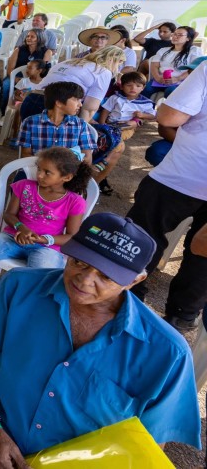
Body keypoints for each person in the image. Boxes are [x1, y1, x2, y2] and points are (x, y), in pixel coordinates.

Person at [0, 212, 202, 468]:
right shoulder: (20, 286)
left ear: (135, 280)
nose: (84, 280)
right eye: (80, 262)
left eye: (106, 276)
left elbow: (147, 445)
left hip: (69, 462)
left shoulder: (168, 353)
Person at [127, 61, 207, 331]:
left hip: (185, 172)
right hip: (188, 173)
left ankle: (127, 295)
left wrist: (165, 108)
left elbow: (169, 118)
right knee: (204, 255)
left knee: (143, 232)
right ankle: (181, 316)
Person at [0, 147, 91, 301]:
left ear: (66, 177)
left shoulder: (75, 201)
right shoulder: (24, 186)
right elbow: (9, 214)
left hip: (47, 248)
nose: (39, 175)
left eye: (47, 172)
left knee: (42, 282)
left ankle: (20, 307)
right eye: (39, 169)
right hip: (11, 238)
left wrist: (43, 239)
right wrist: (21, 227)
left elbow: (72, 236)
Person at [18, 46, 126, 123]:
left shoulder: (69, 61)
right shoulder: (103, 71)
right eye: (120, 62)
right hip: (57, 107)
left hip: (31, 99)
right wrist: (80, 130)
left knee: (30, 144)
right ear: (114, 60)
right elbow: (89, 108)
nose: (119, 67)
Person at [93, 72, 156, 196]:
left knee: (116, 141)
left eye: (138, 86)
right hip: (110, 124)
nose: (133, 88)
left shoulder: (145, 102)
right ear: (122, 86)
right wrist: (102, 124)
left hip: (126, 128)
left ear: (143, 88)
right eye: (129, 85)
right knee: (108, 139)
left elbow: (153, 116)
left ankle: (105, 160)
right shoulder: (115, 98)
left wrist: (142, 115)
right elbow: (106, 111)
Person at [17, 81, 97, 162]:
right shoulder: (30, 123)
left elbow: (87, 158)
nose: (80, 104)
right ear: (59, 103)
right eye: (76, 100)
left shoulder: (80, 125)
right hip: (37, 168)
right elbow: (25, 155)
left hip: (70, 169)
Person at [144, 25, 202, 99]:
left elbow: (194, 68)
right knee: (146, 89)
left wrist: (178, 79)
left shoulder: (194, 50)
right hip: (161, 80)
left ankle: (164, 107)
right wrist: (157, 77)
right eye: (174, 34)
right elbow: (154, 65)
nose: (175, 36)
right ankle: (144, 106)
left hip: (181, 81)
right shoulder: (163, 50)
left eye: (180, 35)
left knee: (171, 91)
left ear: (188, 38)